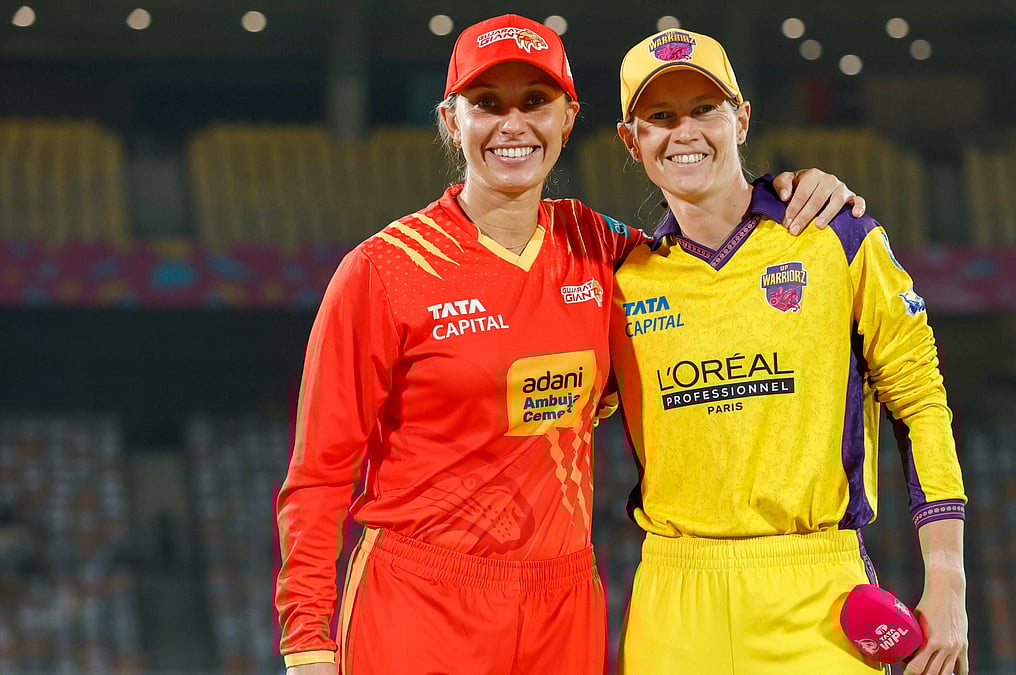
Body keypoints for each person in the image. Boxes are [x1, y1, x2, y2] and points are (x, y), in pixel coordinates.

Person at [275, 15, 866, 675]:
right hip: (420, 599)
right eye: (486, 104)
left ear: (567, 117)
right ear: (451, 120)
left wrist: (788, 197)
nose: (512, 124)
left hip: (562, 603)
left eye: (535, 102)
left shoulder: (601, 247)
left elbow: (709, 262)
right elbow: (318, 473)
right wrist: (308, 643)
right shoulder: (383, 271)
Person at [608, 28, 969, 675]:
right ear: (632, 142)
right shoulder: (622, 279)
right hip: (672, 601)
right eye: (660, 116)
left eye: (704, 109)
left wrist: (947, 580)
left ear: (741, 119)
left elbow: (920, 400)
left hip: (815, 599)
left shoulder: (836, 232)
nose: (683, 132)